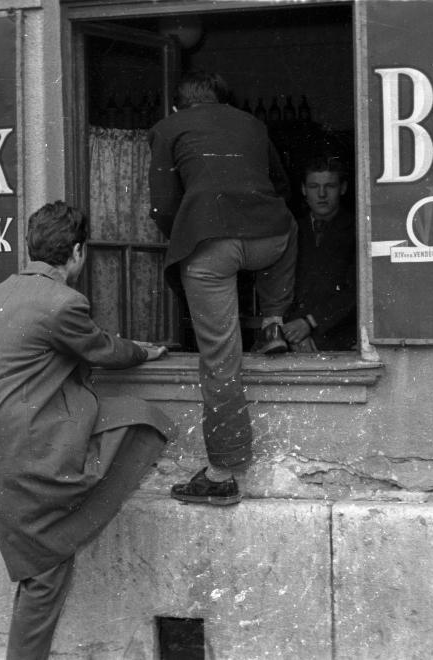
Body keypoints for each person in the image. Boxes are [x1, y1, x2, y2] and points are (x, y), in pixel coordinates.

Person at [0, 201, 175, 659]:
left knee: (40, 573)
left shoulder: (5, 289)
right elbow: (103, 350)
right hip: (32, 454)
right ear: (79, 252)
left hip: (3, 451)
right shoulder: (64, 302)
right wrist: (144, 352)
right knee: (45, 576)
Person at [148, 70, 296, 506]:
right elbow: (283, 187)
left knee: (220, 359)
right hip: (268, 242)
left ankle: (222, 472)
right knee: (287, 224)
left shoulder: (168, 127)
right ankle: (272, 321)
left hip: (210, 246)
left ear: (179, 106)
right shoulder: (252, 124)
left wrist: (188, 232)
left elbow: (162, 205)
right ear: (224, 100)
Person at [282, 156, 356, 352]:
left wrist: (310, 322)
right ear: (304, 189)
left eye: (330, 186)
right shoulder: (292, 228)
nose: (322, 194)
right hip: (292, 336)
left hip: (337, 337)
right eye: (314, 186)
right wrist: (293, 332)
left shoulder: (357, 229)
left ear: (343, 188)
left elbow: (357, 291)